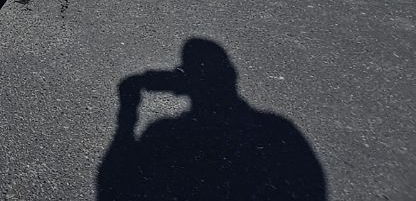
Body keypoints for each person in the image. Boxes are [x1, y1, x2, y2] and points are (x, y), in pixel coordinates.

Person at [96, 38, 326, 201]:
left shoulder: (164, 134)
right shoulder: (277, 130)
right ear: (231, 76)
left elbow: (112, 186)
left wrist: (127, 116)